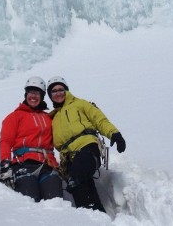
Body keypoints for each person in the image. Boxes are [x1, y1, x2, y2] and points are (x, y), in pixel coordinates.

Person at [47, 75, 126, 212]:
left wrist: (114, 134)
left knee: (76, 179)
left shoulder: (80, 104)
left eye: (61, 89)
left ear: (66, 90)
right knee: (82, 184)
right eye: (54, 91)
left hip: (87, 147)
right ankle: (96, 216)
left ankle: (91, 212)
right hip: (68, 158)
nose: (58, 93)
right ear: (50, 95)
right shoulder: (52, 117)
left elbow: (99, 120)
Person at [0, 76, 63, 202]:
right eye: (30, 92)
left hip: (48, 165)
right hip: (23, 164)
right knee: (30, 203)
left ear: (42, 96)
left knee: (55, 203)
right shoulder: (14, 117)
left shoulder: (49, 117)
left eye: (37, 93)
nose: (33, 96)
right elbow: (5, 141)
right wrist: (5, 164)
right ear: (26, 94)